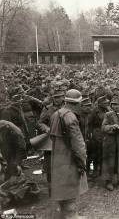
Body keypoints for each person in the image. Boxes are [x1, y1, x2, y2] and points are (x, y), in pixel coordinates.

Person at [49, 89, 88, 219]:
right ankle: (71, 215)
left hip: (57, 156)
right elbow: (78, 144)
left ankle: (62, 212)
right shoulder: (71, 117)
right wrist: (82, 162)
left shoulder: (56, 114)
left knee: (60, 185)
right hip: (69, 157)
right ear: (76, 104)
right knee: (71, 185)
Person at [37, 88, 64, 196]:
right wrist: (46, 129)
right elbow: (40, 123)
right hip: (51, 140)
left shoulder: (67, 108)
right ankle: (52, 188)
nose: (58, 99)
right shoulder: (47, 109)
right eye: (56, 97)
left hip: (64, 140)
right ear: (53, 98)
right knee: (50, 166)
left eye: (60, 97)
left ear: (63, 97)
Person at [88, 96, 110, 177]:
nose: (107, 104)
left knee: (104, 152)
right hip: (96, 133)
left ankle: (102, 170)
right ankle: (95, 170)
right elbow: (90, 124)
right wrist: (90, 134)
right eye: (105, 103)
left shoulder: (108, 110)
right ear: (100, 104)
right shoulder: (94, 111)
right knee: (95, 153)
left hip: (105, 133)